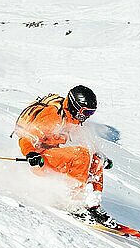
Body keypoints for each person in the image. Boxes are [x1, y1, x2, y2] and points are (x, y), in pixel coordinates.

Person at [13, 85, 115, 226]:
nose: (86, 117)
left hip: (53, 157)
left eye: (91, 114)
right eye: (85, 112)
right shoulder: (52, 116)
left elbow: (84, 140)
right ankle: (73, 201)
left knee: (95, 159)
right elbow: (25, 137)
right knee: (81, 155)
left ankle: (93, 204)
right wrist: (30, 153)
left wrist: (101, 157)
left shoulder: (72, 119)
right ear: (74, 106)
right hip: (40, 160)